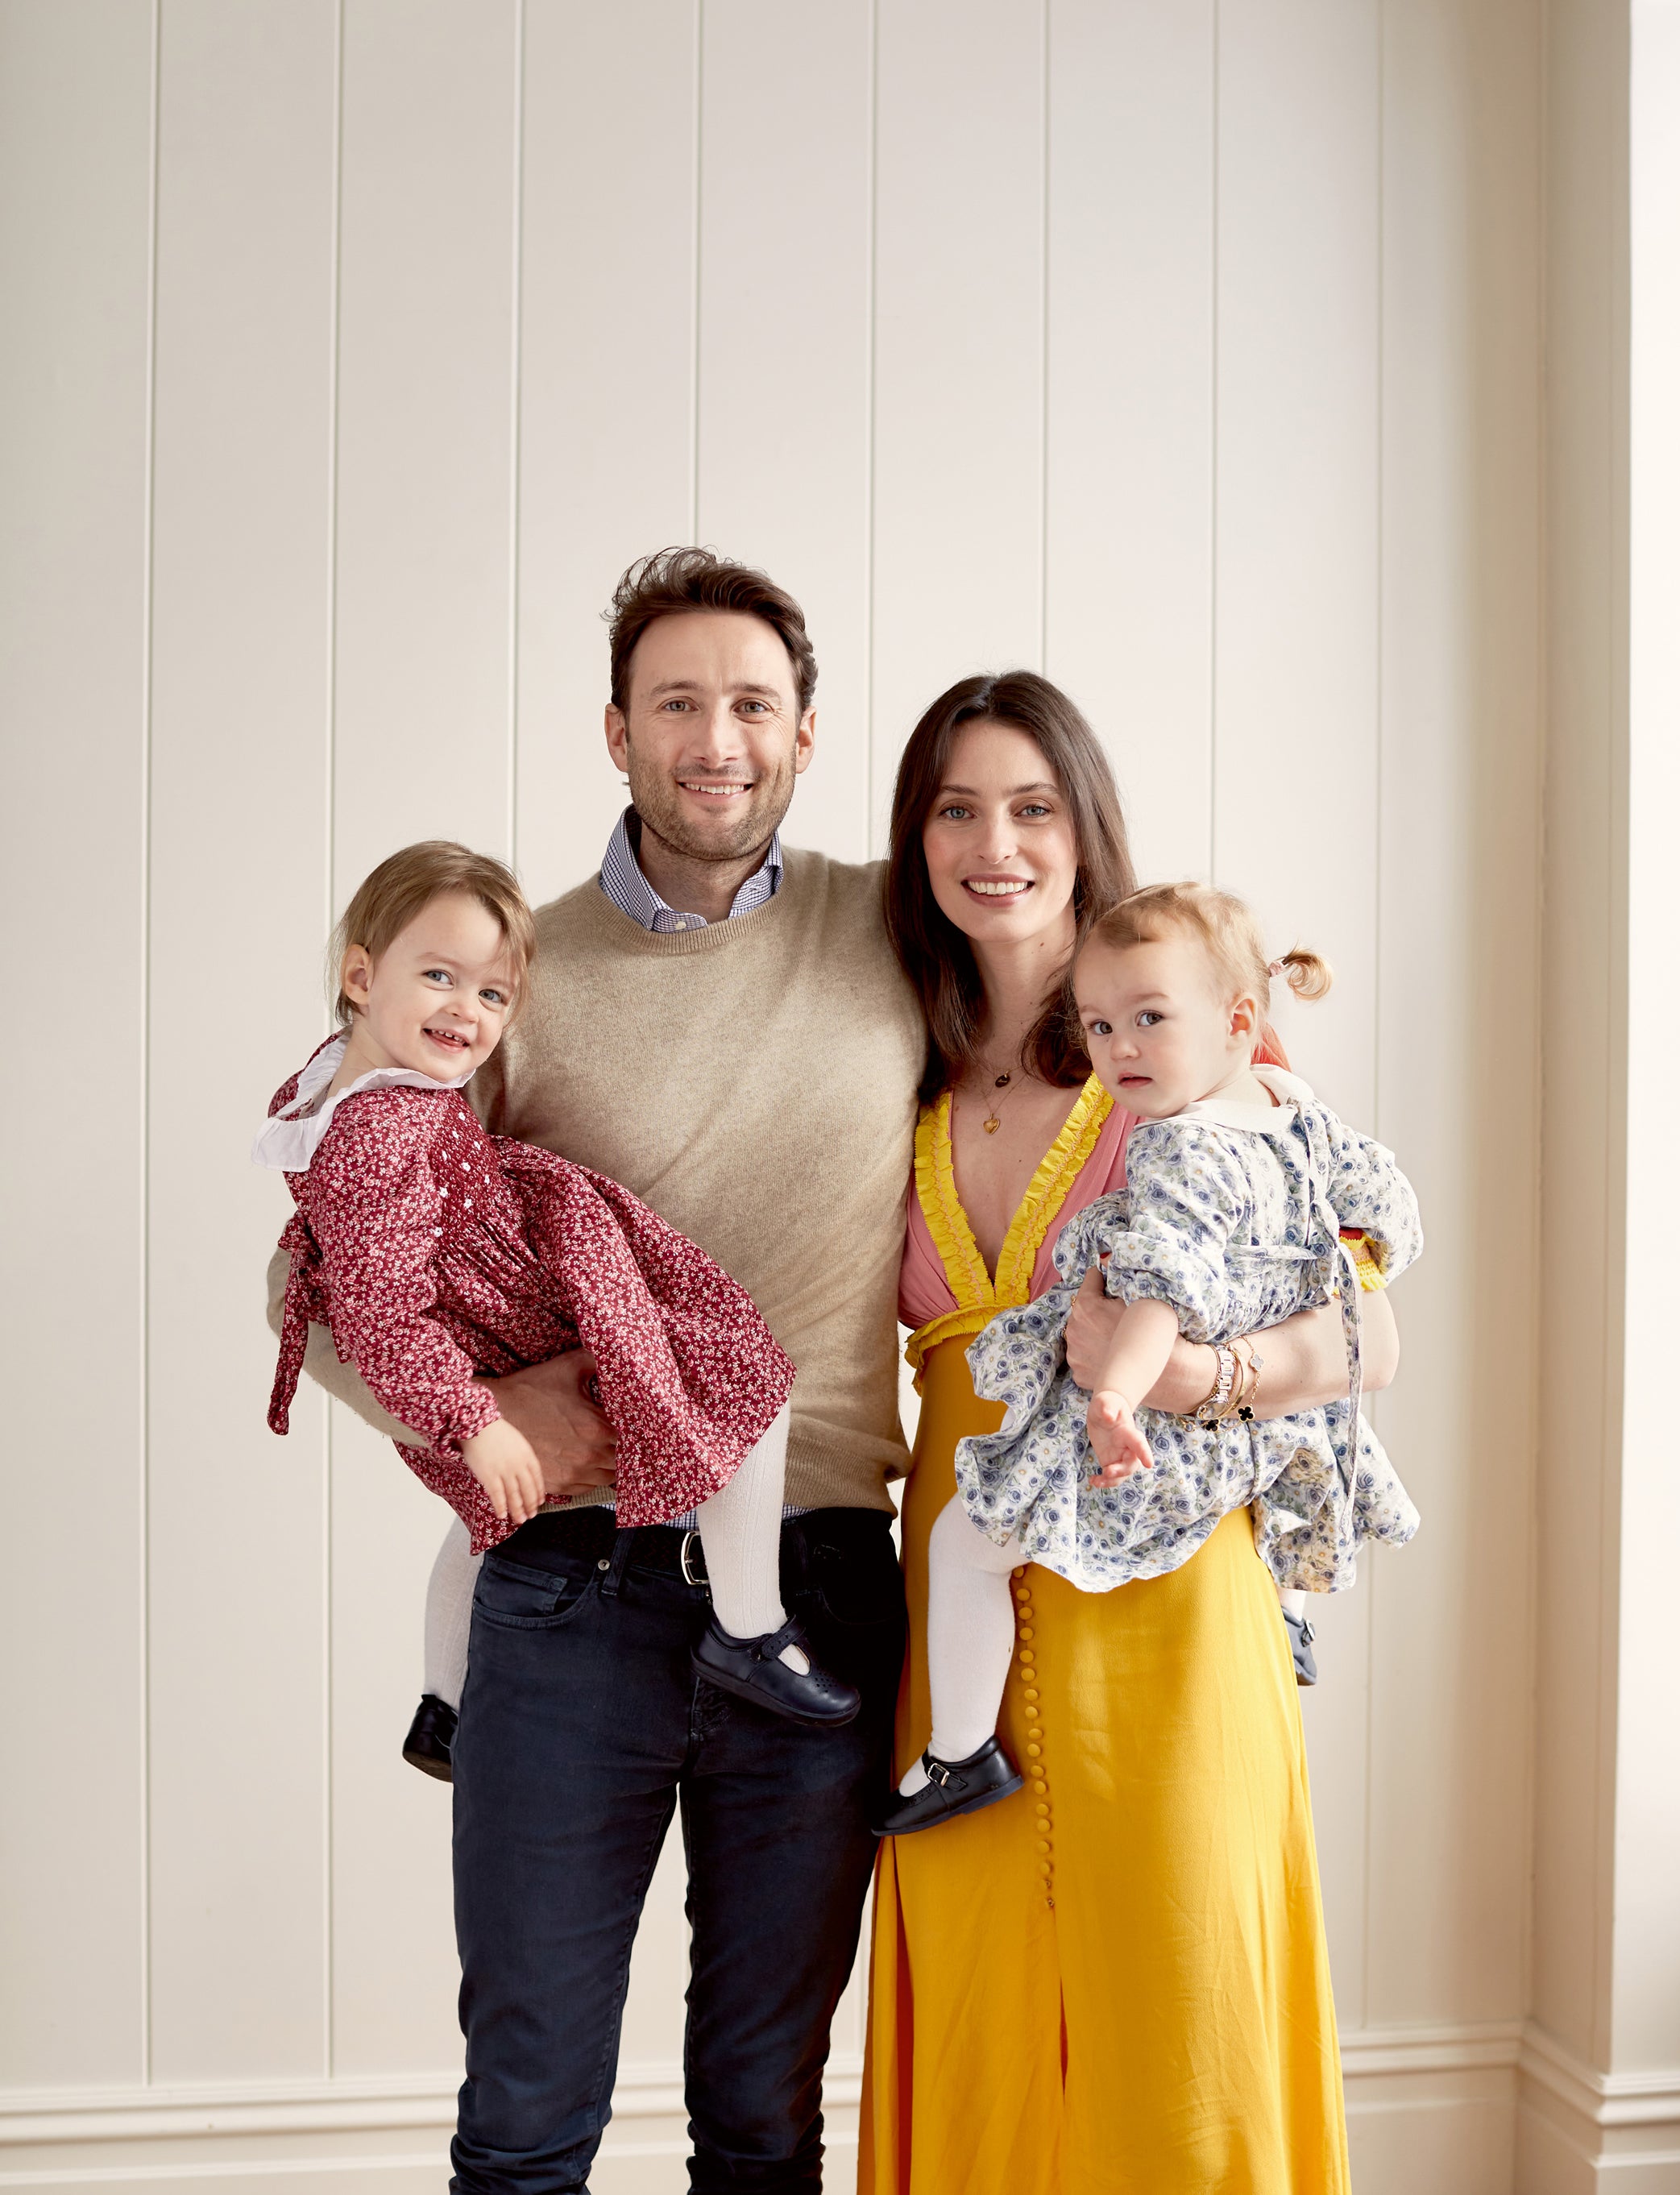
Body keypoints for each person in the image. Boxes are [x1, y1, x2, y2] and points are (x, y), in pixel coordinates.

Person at [267, 550, 925, 2195]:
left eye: (755, 704)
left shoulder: (893, 929)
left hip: (822, 1579)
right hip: (573, 1593)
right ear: (615, 732)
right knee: (529, 2114)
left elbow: (1099, 1037)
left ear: (808, 732)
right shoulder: (511, 973)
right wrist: (497, 1418)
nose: (721, 739)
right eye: (680, 703)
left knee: (765, 2118)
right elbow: (316, 1267)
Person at [858, 672, 1400, 2194]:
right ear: (917, 840)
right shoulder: (896, 1053)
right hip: (962, 1595)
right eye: (956, 807)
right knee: (976, 2000)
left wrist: (1191, 1375)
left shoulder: (1202, 1058)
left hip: (1164, 1587)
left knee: (1178, 1998)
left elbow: (1372, 1336)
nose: (996, 842)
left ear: (1086, 828)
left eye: (1032, 804)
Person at [255, 839, 858, 1748]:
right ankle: (751, 1627)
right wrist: (476, 1420)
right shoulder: (383, 1132)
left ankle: (442, 1701)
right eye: (439, 976)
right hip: (509, 1301)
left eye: (494, 995)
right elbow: (383, 1315)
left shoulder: (333, 1082)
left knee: (495, 1514)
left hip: (487, 1283)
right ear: (359, 973)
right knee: (743, 1379)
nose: (467, 1010)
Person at [876, 879, 1421, 1836]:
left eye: (1148, 1020)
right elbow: (1385, 1207)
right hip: (1271, 1430)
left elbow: (1166, 1285)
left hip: (1158, 1427)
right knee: (1294, 1458)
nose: (1119, 1048)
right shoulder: (1292, 1110)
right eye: (1097, 1026)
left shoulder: (1177, 1148)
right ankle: (1292, 1614)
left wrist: (1119, 1395)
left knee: (963, 1545)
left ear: (1238, 1020)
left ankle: (958, 1753)